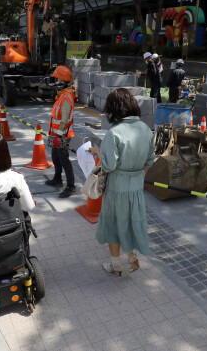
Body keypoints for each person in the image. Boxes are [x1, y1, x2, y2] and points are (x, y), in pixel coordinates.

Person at [88, 88, 155, 276]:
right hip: (136, 186)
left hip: (117, 186)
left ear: (114, 109)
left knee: (113, 224)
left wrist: (97, 152)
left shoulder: (114, 133)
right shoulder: (145, 129)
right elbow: (150, 160)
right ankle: (132, 257)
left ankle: (116, 265)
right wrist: (138, 177)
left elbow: (108, 166)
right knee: (131, 222)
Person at [45, 65, 77, 198]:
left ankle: (71, 186)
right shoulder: (62, 95)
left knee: (64, 159)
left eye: (56, 79)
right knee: (55, 157)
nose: (54, 82)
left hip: (62, 134)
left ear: (62, 82)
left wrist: (59, 135)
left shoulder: (67, 97)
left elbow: (64, 118)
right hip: (56, 134)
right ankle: (57, 178)